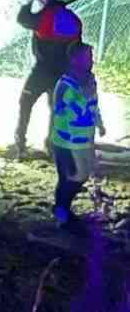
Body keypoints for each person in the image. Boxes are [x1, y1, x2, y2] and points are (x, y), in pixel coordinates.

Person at [12, 0, 83, 159]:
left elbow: (22, 18)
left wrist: (28, 1)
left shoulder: (44, 18)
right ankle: (52, 145)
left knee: (26, 102)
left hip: (42, 71)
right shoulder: (73, 19)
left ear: (43, 1)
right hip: (63, 72)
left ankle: (20, 140)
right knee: (56, 110)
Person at [49, 43, 105, 229]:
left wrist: (99, 122)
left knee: (79, 176)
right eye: (86, 57)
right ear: (74, 60)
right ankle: (61, 212)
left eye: (91, 57)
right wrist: (86, 94)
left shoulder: (89, 79)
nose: (91, 61)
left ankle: (62, 209)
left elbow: (93, 105)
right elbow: (71, 113)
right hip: (66, 141)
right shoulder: (64, 85)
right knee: (71, 177)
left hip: (83, 140)